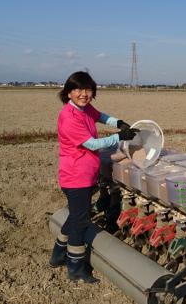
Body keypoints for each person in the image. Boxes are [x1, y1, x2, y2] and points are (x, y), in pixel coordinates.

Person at [49, 71, 138, 283]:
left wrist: (118, 122)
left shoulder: (84, 108)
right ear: (69, 93)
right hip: (75, 177)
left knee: (75, 216)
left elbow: (100, 116)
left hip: (85, 175)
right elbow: (92, 144)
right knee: (80, 222)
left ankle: (57, 255)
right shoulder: (69, 117)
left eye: (88, 89)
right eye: (78, 89)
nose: (84, 94)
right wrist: (119, 136)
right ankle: (76, 267)